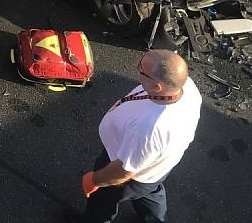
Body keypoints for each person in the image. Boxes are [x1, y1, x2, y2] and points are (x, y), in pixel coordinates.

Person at [75, 50, 202, 223]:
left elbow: (122, 171)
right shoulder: (186, 86)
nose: (138, 68)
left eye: (141, 69)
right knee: (150, 189)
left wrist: (94, 180)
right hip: (156, 169)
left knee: (103, 202)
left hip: (126, 170)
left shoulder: (148, 129)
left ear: (158, 87)